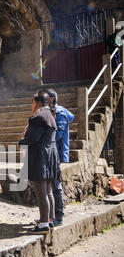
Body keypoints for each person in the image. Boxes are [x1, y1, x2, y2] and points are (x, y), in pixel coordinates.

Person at [20, 90, 60, 234]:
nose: (31, 105)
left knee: (41, 191)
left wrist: (21, 141)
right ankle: (49, 220)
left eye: (32, 102)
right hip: (51, 157)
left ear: (37, 103)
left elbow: (32, 139)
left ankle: (43, 225)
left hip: (40, 158)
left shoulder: (38, 117)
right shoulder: (50, 115)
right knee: (48, 191)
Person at [46, 89, 74, 225]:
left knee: (56, 186)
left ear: (51, 99)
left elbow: (57, 135)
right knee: (49, 186)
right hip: (49, 153)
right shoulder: (50, 112)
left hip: (55, 154)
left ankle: (59, 216)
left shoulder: (60, 113)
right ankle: (49, 216)